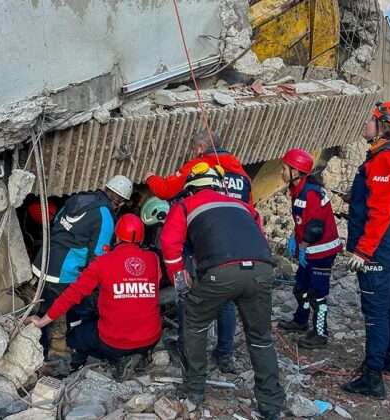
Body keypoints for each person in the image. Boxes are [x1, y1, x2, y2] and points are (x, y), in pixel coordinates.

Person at [160, 163, 284, 419]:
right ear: (217, 185)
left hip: (220, 273)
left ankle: (194, 387)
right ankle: (270, 404)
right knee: (260, 338)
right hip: (261, 270)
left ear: (191, 188)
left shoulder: (184, 206)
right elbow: (257, 235)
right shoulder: (243, 206)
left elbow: (169, 244)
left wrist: (179, 278)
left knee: (195, 323)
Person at [144, 129, 251, 373]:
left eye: (193, 150)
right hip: (234, 248)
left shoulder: (199, 166)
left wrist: (151, 177)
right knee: (226, 302)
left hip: (199, 245)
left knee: (188, 296)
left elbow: (165, 190)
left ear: (200, 149)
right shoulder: (242, 175)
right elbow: (249, 213)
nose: (192, 154)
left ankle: (187, 349)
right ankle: (225, 354)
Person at [341, 101, 390, 398]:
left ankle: (372, 377)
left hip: (377, 248)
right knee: (388, 303)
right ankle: (389, 357)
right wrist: (357, 196)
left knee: (374, 310)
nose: (366, 123)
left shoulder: (384, 161)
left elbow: (382, 211)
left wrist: (362, 252)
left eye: (372, 120)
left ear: (385, 127)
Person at [26, 214, 161, 379]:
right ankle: (139, 355)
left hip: (115, 344)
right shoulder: (153, 259)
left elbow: (72, 295)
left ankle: (80, 367)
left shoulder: (103, 263)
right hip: (151, 337)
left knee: (75, 337)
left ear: (116, 237)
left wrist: (41, 321)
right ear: (141, 239)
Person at [29, 175, 133, 362]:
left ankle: (37, 357)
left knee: (44, 309)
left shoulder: (78, 198)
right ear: (122, 203)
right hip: (64, 273)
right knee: (82, 312)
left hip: (43, 262)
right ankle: (78, 357)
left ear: (105, 187)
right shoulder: (106, 217)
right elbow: (97, 259)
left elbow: (56, 223)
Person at [275, 149, 343, 349]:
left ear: (296, 172)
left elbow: (315, 227)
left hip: (321, 251)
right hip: (311, 249)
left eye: (284, 168)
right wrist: (294, 237)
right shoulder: (299, 189)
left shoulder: (310, 192)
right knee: (301, 288)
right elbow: (303, 221)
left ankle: (320, 334)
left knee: (317, 294)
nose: (281, 172)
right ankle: (301, 320)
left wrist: (303, 245)